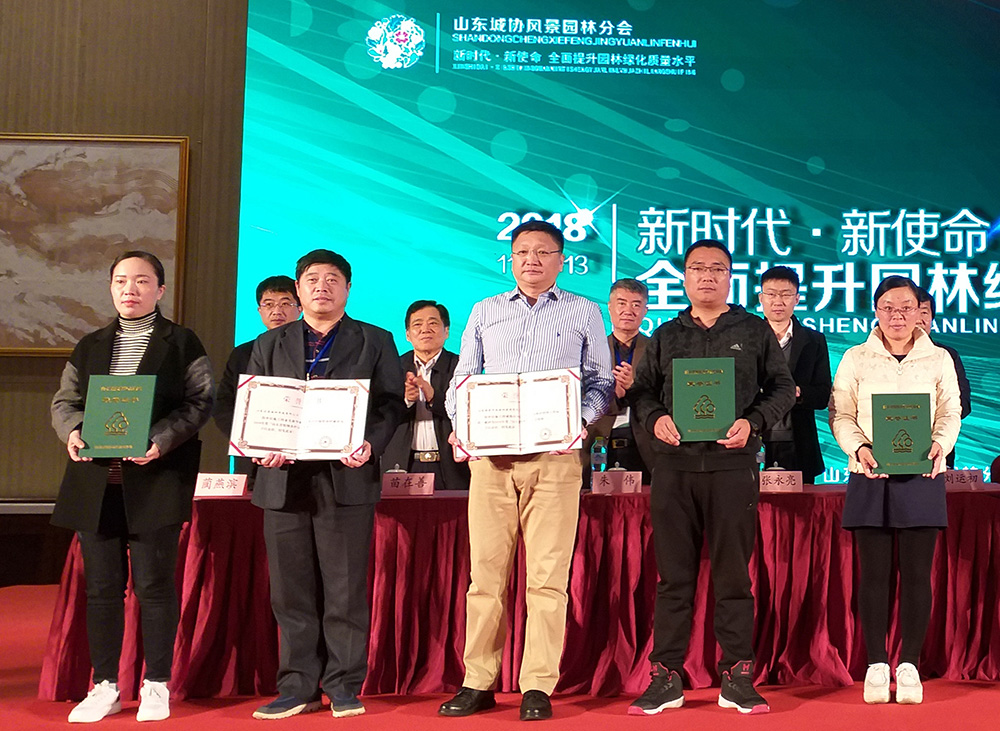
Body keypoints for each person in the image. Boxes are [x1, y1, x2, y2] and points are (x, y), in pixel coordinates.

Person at [439, 220, 613, 721]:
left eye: (543, 252)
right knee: (485, 577)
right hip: (492, 461)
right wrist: (462, 426)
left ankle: (537, 684)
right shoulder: (485, 310)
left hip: (556, 460)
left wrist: (577, 422)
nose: (531, 260)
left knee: (547, 578)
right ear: (510, 260)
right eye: (522, 252)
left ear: (562, 260)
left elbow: (601, 384)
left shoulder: (584, 310)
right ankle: (478, 681)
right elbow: (462, 380)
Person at [628, 239, 795, 716]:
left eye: (717, 268)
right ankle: (666, 677)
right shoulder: (666, 334)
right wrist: (656, 417)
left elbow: (783, 388)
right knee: (673, 579)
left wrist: (753, 422)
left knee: (733, 577)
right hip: (674, 469)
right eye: (697, 268)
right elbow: (641, 393)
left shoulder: (753, 330)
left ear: (729, 277)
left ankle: (737, 676)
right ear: (683, 277)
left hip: (732, 468)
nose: (707, 276)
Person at [50, 250, 215, 723]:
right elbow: (65, 401)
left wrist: (160, 440)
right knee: (102, 589)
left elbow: (200, 400)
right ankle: (105, 685)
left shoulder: (181, 342)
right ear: (110, 287)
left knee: (154, 586)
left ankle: (156, 683)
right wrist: (73, 431)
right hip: (96, 484)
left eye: (142, 280)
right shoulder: (90, 344)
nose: (130, 289)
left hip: (156, 479)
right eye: (121, 280)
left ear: (160, 290)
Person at [247, 249, 405, 720]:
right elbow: (256, 403)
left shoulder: (375, 339)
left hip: (346, 476)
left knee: (345, 588)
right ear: (298, 289)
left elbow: (390, 404)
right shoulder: (269, 342)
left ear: (348, 288)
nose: (322, 286)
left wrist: (371, 444)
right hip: (283, 479)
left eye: (332, 279)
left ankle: (343, 685)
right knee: (290, 591)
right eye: (312, 279)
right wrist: (260, 444)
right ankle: (297, 686)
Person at [830, 275, 961, 705]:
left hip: (923, 476)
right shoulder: (855, 357)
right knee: (874, 574)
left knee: (917, 574)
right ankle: (876, 663)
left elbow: (951, 410)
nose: (897, 315)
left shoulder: (938, 358)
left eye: (906, 307)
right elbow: (841, 413)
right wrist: (859, 447)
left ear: (919, 311)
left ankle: (909, 664)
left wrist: (941, 443)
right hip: (870, 474)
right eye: (888, 307)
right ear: (876, 311)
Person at [213, 275, 300, 476]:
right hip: (252, 457)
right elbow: (224, 403)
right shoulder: (242, 353)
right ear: (259, 310)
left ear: (300, 308)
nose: (277, 311)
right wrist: (245, 437)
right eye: (268, 304)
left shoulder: (311, 349)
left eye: (285, 303)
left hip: (300, 456)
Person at [382, 300, 469, 489]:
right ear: (407, 335)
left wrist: (434, 397)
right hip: (403, 465)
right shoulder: (392, 367)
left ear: (446, 331)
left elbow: (471, 413)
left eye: (433, 323)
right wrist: (406, 400)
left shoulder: (462, 367)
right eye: (417, 324)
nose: (425, 329)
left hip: (451, 468)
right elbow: (379, 416)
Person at [757, 266, 832, 483]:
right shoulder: (746, 339)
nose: (778, 301)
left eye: (785, 294)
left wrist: (795, 392)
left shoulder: (814, 340)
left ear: (797, 299)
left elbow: (822, 395)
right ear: (761, 298)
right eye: (771, 294)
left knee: (801, 503)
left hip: (799, 442)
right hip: (755, 439)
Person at [585, 278, 654, 482]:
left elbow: (667, 398)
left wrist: (634, 388)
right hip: (598, 443)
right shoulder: (590, 350)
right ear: (609, 307)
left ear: (645, 311)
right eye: (621, 303)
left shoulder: (656, 349)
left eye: (636, 305)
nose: (628, 311)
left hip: (645, 445)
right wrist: (611, 394)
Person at [914, 287, 971, 468]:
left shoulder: (947, 355)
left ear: (932, 318)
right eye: (913, 311)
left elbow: (964, 404)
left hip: (938, 450)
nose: (919, 319)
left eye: (924, 312)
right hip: (887, 451)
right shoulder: (880, 356)